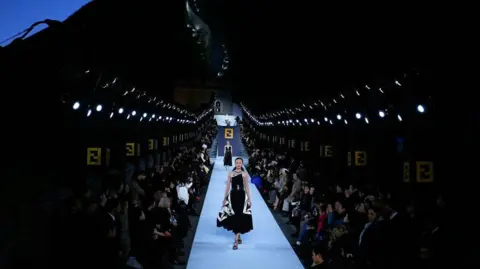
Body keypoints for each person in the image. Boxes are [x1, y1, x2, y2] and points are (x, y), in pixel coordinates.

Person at [217, 157, 254, 250]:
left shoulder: (244, 174)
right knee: (234, 216)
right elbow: (227, 187)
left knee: (240, 215)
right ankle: (238, 236)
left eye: (240, 163)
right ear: (235, 163)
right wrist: (224, 198)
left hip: (242, 196)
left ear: (242, 164)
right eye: (237, 162)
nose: (238, 164)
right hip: (233, 196)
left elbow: (247, 188)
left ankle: (236, 241)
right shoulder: (231, 174)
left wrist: (249, 199)